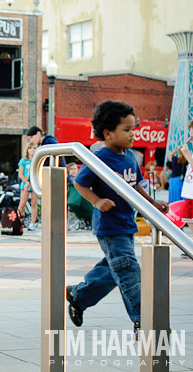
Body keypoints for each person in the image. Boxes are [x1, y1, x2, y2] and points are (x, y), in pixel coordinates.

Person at [66, 100, 169, 337]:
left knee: (115, 269)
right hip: (109, 225)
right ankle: (142, 319)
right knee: (128, 269)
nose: (134, 134)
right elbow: (80, 182)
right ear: (108, 133)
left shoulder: (130, 156)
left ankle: (78, 295)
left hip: (126, 223)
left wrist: (152, 204)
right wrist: (96, 201)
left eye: (134, 128)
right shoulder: (99, 157)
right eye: (127, 129)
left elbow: (136, 186)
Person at [17, 143, 39, 231]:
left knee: (34, 204)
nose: (32, 150)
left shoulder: (37, 160)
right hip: (25, 185)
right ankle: (18, 221)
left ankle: (32, 223)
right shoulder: (23, 161)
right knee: (22, 204)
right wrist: (27, 182)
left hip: (34, 185)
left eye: (34, 148)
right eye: (30, 148)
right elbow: (21, 174)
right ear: (27, 150)